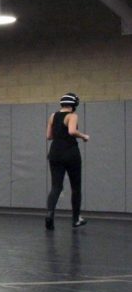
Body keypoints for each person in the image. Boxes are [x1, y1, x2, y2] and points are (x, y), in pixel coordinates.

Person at [46, 93, 90, 230]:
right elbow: (71, 131)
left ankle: (49, 214)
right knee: (76, 187)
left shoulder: (53, 116)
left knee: (56, 187)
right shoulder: (72, 116)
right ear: (74, 105)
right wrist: (83, 136)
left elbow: (49, 136)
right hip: (70, 153)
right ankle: (76, 219)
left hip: (54, 153)